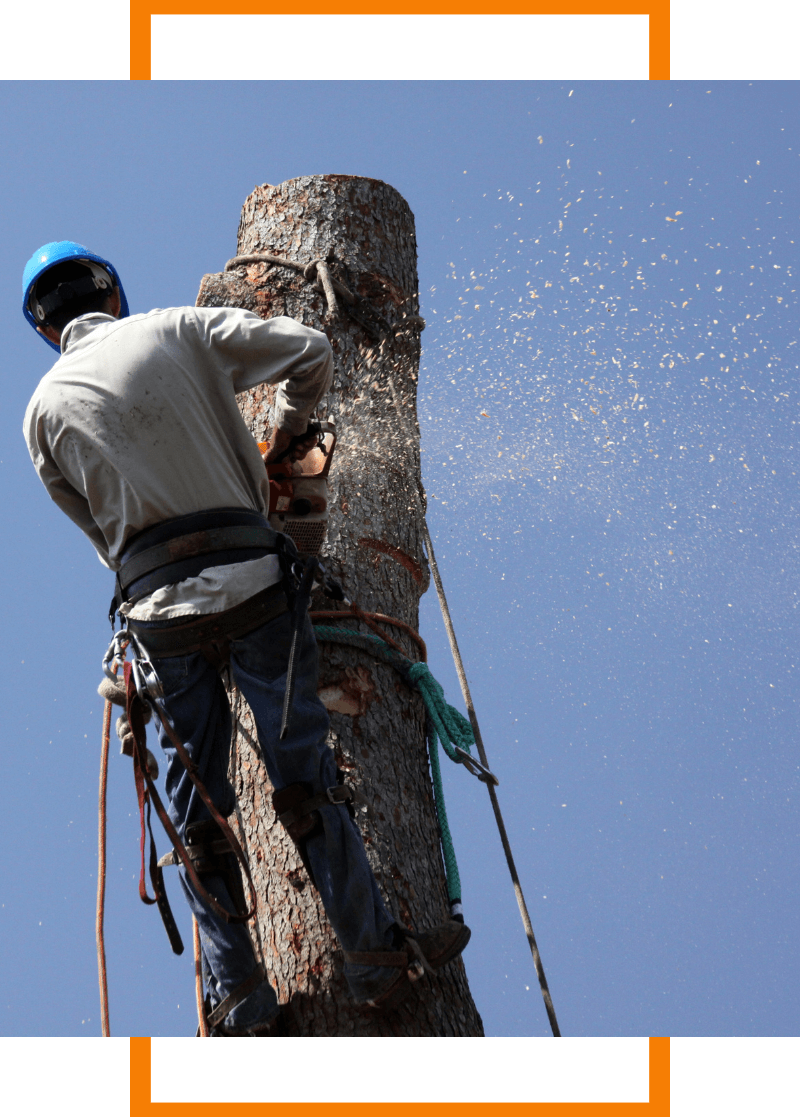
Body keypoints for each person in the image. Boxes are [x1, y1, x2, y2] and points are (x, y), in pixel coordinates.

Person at [22, 241, 469, 1035]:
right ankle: (375, 957)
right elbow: (311, 349)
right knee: (302, 777)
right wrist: (284, 444)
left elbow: (100, 535)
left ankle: (240, 998)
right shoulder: (175, 329)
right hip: (254, 581)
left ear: (44, 325)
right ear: (110, 294)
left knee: (198, 810)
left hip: (154, 611)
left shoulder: (41, 412)